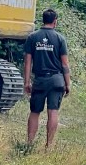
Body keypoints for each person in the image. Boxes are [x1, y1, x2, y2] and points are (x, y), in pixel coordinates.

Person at [23, 8, 71, 150]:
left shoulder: (32, 37)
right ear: (55, 21)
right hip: (57, 80)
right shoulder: (60, 38)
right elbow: (65, 64)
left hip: (40, 80)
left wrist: (27, 82)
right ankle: (49, 146)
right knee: (53, 111)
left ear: (43, 20)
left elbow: (27, 62)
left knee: (35, 112)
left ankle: (29, 144)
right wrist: (67, 83)